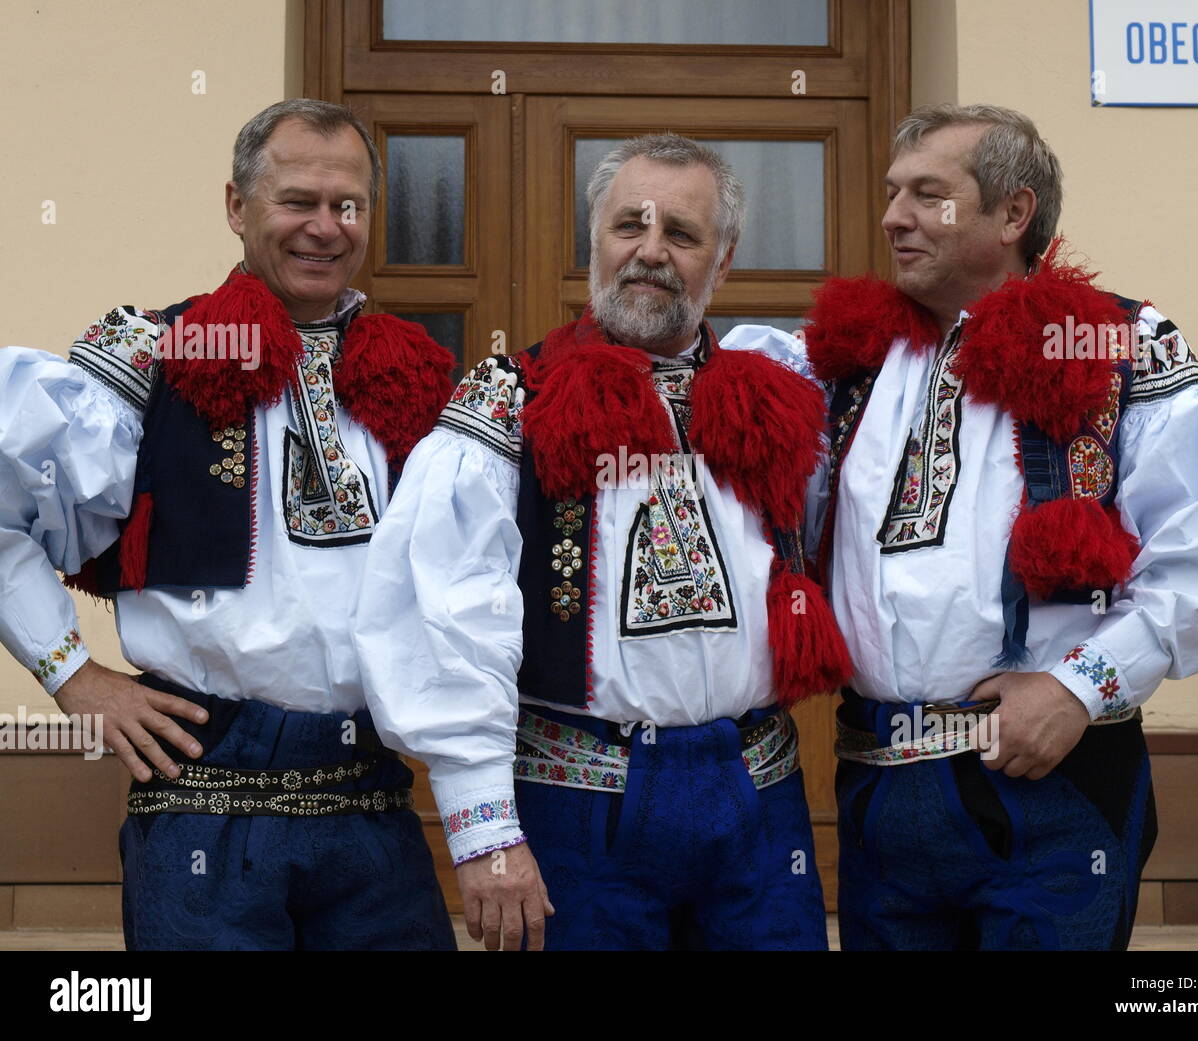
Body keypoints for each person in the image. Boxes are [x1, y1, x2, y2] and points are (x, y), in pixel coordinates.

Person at [802, 103, 1198, 950]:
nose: (892, 216)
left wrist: (1082, 684)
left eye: (928, 194)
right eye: (891, 193)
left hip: (1051, 788)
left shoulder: (1117, 344)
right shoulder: (853, 362)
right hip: (879, 787)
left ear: (1013, 213)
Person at [355, 133, 849, 950]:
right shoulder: (510, 400)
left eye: (681, 235)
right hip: (576, 807)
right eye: (630, 226)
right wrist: (484, 831)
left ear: (721, 264)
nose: (650, 252)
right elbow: (438, 614)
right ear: (595, 242)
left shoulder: (776, 397)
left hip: (760, 800)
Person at [0, 99, 460, 950]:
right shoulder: (151, 359)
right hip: (201, 798)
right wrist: (71, 676)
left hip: (375, 802)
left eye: (347, 204)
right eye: (298, 201)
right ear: (235, 206)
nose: (325, 226)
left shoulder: (417, 379)